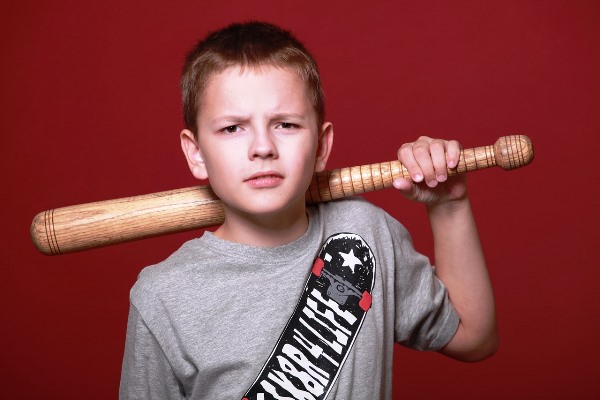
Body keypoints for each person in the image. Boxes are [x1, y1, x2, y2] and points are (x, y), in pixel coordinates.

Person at [119, 21, 498, 400]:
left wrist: (449, 206)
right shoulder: (164, 296)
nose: (262, 147)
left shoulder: (365, 232)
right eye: (233, 128)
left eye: (285, 124)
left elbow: (473, 338)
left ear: (321, 146)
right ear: (196, 153)